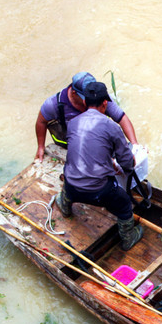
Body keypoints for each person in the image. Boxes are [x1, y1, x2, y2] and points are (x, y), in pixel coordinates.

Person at [54, 81, 143, 251]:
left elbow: (82, 150)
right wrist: (129, 165)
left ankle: (65, 206)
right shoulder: (112, 127)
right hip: (99, 192)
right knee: (125, 205)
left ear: (85, 102)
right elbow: (126, 162)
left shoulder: (73, 122)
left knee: (70, 177)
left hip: (71, 183)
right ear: (104, 103)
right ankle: (129, 238)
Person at [35, 71, 138, 162]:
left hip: (99, 143)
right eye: (86, 97)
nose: (89, 99)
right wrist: (40, 147)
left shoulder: (98, 97)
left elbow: (122, 118)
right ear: (74, 93)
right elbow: (41, 122)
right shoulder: (54, 104)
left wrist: (135, 145)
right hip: (72, 148)